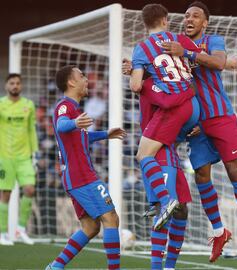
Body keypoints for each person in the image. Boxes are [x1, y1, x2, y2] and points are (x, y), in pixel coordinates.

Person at [161, 1, 237, 261]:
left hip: (221, 115)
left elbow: (217, 63)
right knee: (201, 176)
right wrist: (135, 69)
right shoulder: (176, 42)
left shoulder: (213, 40)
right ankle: (219, 231)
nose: (189, 19)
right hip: (196, 123)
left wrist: (189, 53)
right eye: (186, 15)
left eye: (195, 16)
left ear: (205, 22)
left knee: (233, 169)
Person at [46, 65, 126, 270]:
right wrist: (74, 122)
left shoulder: (75, 110)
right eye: (81, 76)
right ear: (71, 82)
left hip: (76, 176)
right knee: (111, 218)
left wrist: (105, 134)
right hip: (82, 176)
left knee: (90, 227)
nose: (86, 79)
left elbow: (82, 137)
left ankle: (55, 267)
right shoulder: (65, 106)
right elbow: (63, 125)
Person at [129, 3, 202, 230]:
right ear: (165, 20)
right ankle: (157, 200)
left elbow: (135, 85)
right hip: (194, 106)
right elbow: (197, 61)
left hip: (172, 109)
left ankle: (165, 199)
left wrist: (135, 72)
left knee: (143, 154)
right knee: (162, 150)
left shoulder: (142, 48)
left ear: (145, 23)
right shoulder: (179, 39)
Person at [139, 78, 193, 270]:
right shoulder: (150, 83)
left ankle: (169, 267)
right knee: (165, 209)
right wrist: (190, 90)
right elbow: (167, 102)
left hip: (170, 150)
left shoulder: (166, 81)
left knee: (182, 210)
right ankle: (156, 267)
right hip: (158, 149)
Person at [0, 73, 38, 245]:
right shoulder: (1, 105)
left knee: (30, 190)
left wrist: (35, 153)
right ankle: (2, 233)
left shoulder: (28, 105)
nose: (15, 86)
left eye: (17, 83)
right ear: (6, 86)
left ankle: (21, 229)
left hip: (24, 157)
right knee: (5, 194)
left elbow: (32, 129)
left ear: (21, 86)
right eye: (12, 83)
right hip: (5, 157)